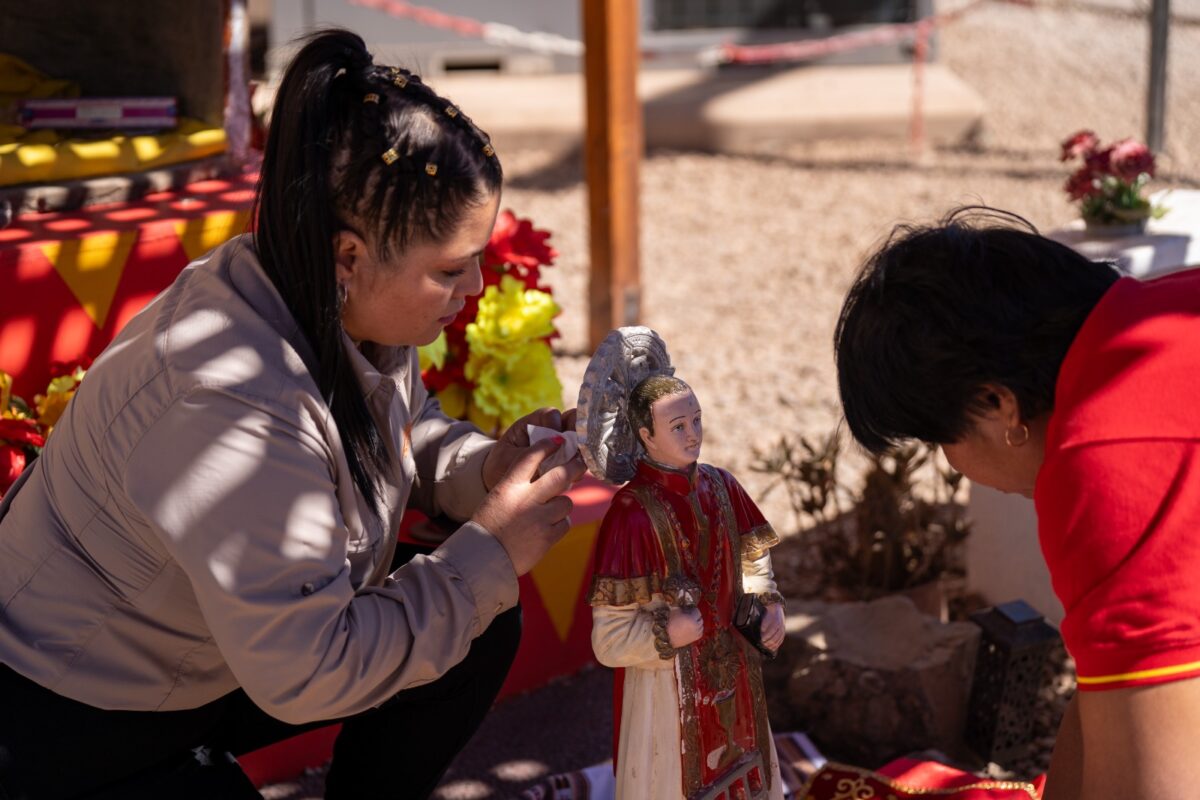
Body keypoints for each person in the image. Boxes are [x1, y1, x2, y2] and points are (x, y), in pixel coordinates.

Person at [0, 29, 584, 799]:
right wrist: (488, 551)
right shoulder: (230, 399)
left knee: (476, 621)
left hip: (208, 659)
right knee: (471, 590)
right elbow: (308, 672)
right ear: (350, 256)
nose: (475, 284)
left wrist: (482, 472)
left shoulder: (320, 292)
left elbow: (403, 426)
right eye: (450, 268)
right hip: (73, 713)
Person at [833, 206, 1200, 800]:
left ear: (997, 404)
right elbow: (1114, 687)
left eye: (939, 439)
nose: (952, 464)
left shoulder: (1106, 459)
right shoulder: (1168, 304)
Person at [586, 371, 785, 800]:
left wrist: (768, 602)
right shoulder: (630, 515)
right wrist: (664, 635)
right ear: (645, 435)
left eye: (697, 420)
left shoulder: (723, 485)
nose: (693, 434)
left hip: (736, 672)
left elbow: (754, 554)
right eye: (678, 426)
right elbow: (608, 640)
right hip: (667, 696)